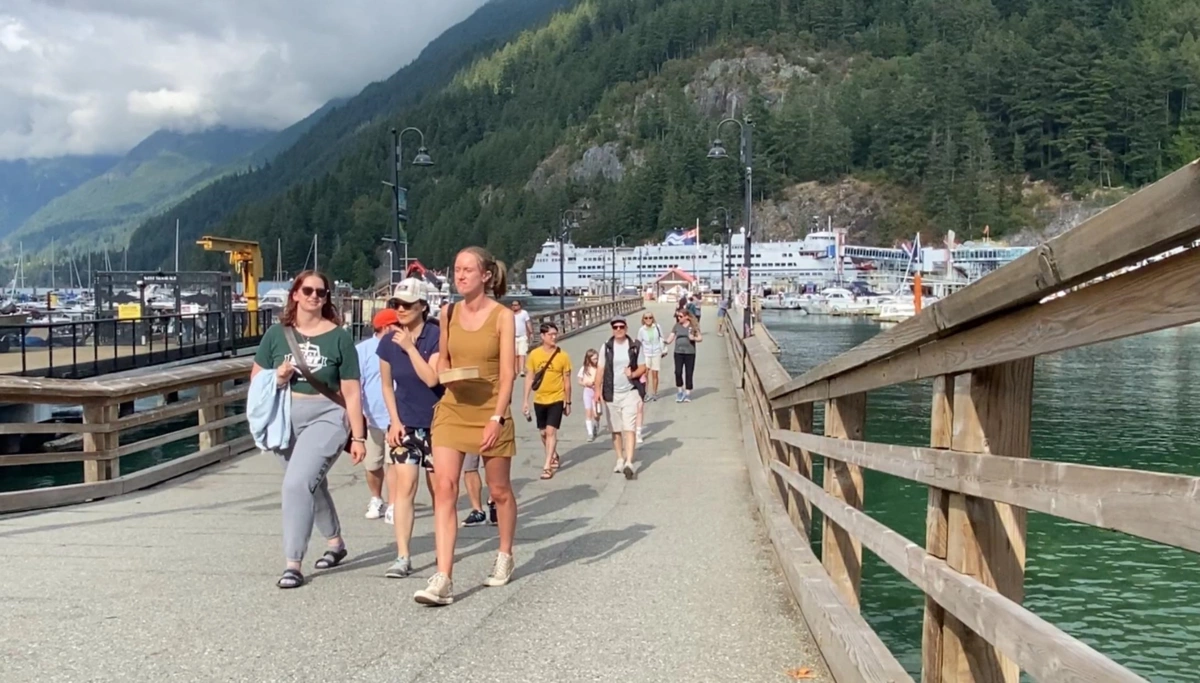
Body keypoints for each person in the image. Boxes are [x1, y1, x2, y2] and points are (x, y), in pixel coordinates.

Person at [250, 271, 366, 590]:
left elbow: (352, 391)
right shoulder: (276, 335)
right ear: (295, 295)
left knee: (296, 484)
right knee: (311, 485)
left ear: (327, 298)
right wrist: (278, 376)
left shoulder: (339, 338)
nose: (315, 296)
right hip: (285, 418)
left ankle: (293, 564)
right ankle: (336, 543)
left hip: (327, 415)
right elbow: (256, 379)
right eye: (308, 290)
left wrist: (358, 437)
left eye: (321, 292)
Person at [415, 246, 518, 606]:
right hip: (453, 406)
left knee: (499, 490)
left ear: (486, 276)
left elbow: (508, 373)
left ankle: (505, 553)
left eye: (468, 270)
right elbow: (443, 359)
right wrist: (447, 373)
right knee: (444, 487)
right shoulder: (448, 312)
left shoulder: (502, 317)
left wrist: (496, 418)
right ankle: (443, 578)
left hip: (490, 407)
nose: (460, 276)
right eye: (457, 269)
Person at [377, 278, 443, 578]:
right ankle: (403, 555)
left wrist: (410, 348)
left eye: (407, 305)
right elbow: (386, 384)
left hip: (437, 422)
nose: (400, 310)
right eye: (396, 304)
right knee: (405, 487)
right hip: (405, 423)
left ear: (422, 307)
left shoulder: (436, 336)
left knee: (440, 489)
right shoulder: (387, 341)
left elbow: (432, 378)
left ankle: (443, 549)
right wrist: (394, 420)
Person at [357, 308, 401, 521]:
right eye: (397, 325)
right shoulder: (363, 350)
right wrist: (359, 413)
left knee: (394, 463)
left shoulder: (404, 345)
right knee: (373, 464)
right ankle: (376, 498)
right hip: (372, 417)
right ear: (386, 327)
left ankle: (393, 503)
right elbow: (356, 383)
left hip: (397, 418)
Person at [596, 315, 646, 480]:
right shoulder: (606, 347)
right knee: (616, 429)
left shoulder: (635, 346)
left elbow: (643, 367)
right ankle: (619, 458)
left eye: (621, 327)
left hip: (630, 392)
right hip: (611, 393)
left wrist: (632, 374)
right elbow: (600, 369)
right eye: (615, 327)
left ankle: (629, 462)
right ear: (612, 329)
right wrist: (597, 391)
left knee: (629, 427)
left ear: (626, 328)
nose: (618, 329)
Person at [522, 321, 572, 480]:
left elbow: (567, 381)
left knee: (551, 432)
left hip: (556, 398)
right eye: (550, 334)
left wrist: (568, 402)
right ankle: (553, 454)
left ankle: (547, 465)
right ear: (542, 336)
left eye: (555, 334)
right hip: (539, 399)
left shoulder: (563, 356)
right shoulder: (534, 355)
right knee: (543, 433)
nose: (554, 337)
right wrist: (525, 400)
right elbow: (529, 378)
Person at [665, 309, 702, 402]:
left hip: (690, 353)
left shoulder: (692, 326)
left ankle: (688, 394)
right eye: (678, 316)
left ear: (686, 317)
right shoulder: (677, 326)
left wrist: (693, 338)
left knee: (689, 373)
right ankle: (680, 391)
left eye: (681, 316)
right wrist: (665, 342)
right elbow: (671, 337)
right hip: (678, 352)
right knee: (678, 372)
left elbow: (700, 338)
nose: (679, 318)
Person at [636, 312, 665, 400]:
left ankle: (654, 393)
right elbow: (638, 343)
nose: (648, 319)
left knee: (655, 374)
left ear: (653, 318)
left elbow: (662, 338)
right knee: (645, 374)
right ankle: (646, 393)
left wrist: (662, 349)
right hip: (646, 354)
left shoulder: (657, 327)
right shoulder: (641, 330)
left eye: (650, 317)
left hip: (656, 353)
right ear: (643, 319)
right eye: (646, 318)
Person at [577, 349, 602, 442]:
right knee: (588, 412)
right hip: (587, 391)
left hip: (597, 392)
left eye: (597, 358)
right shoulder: (584, 368)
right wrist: (585, 383)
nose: (596, 360)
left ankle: (596, 424)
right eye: (594, 359)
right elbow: (579, 380)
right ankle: (590, 433)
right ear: (589, 359)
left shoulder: (599, 368)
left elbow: (602, 379)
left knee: (597, 413)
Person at [511, 299, 532, 378]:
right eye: (513, 305)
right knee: (515, 355)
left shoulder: (524, 313)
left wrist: (531, 332)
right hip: (513, 337)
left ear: (519, 306)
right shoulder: (510, 314)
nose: (514, 306)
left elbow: (528, 322)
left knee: (522, 353)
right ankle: (516, 370)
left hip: (522, 336)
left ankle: (522, 370)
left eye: (516, 305)